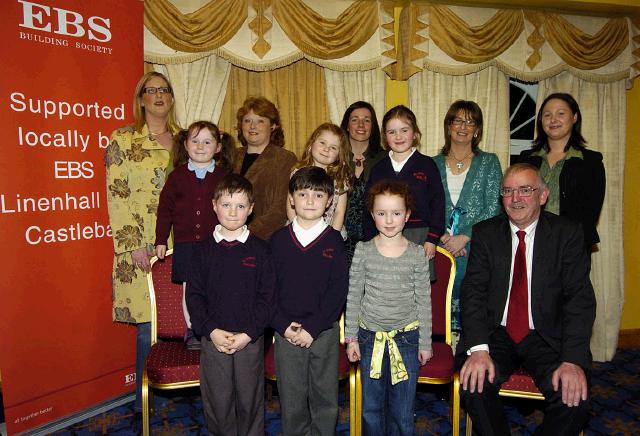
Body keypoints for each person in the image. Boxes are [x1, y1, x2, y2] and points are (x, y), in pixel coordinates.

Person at [457, 163, 596, 436]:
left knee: (574, 401)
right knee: (473, 384)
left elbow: (579, 300)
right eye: (508, 191)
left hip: (547, 335)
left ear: (542, 196)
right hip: (496, 332)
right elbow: (473, 292)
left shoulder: (567, 233)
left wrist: (572, 360)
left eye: (524, 190)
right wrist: (479, 349)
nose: (515, 198)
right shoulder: (486, 233)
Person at [104, 71, 180, 412]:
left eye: (164, 90)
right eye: (151, 91)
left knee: (182, 317)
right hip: (142, 245)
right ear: (141, 99)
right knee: (148, 323)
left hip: (183, 243)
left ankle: (176, 387)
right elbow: (117, 195)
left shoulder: (184, 139)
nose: (159, 95)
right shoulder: (123, 139)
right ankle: (142, 404)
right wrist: (133, 243)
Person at [186, 174, 274, 436]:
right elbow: (195, 297)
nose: (233, 212)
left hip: (250, 338)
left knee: (250, 401)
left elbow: (267, 299)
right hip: (214, 338)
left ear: (251, 209)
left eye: (240, 206)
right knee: (218, 401)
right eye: (226, 205)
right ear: (214, 205)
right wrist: (210, 331)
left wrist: (248, 334)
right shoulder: (201, 251)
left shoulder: (261, 250)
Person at [345, 180, 433, 436]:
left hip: (407, 339)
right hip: (369, 338)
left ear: (406, 215)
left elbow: (423, 301)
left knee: (402, 410)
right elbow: (353, 296)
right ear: (373, 215)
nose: (389, 220)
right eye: (382, 213)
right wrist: (351, 338)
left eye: (396, 213)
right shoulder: (363, 250)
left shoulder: (417, 254)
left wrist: (425, 343)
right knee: (371, 408)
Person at [270, 166, 349, 436]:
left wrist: (313, 328)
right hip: (286, 331)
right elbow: (268, 290)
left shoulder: (334, 241)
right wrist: (283, 325)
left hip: (323, 331)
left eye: (318, 195)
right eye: (303, 194)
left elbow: (338, 291)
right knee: (292, 397)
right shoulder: (278, 240)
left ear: (329, 201)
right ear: (291, 198)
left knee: (324, 396)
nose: (310, 201)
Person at [154, 121, 234, 349]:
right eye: (195, 141)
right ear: (186, 145)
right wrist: (161, 239)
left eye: (207, 142)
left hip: (216, 245)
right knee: (191, 291)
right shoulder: (177, 177)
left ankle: (218, 327)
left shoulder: (223, 177)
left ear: (218, 147)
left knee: (218, 287)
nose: (200, 146)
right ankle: (194, 331)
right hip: (186, 246)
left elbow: (233, 208)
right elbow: (164, 209)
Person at [432, 100, 502, 335]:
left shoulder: (489, 162)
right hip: (439, 248)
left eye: (470, 121)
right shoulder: (432, 164)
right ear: (449, 126)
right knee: (438, 312)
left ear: (478, 129)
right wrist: (444, 239)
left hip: (477, 249)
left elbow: (494, 207)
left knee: (473, 315)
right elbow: (424, 206)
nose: (463, 126)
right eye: (458, 120)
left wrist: (465, 237)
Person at [519, 92, 605, 253]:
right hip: (528, 244)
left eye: (560, 113)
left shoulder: (590, 161)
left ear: (574, 117)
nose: (553, 120)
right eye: (547, 115)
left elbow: (591, 213)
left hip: (572, 247)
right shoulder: (526, 159)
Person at [363, 105, 445, 263]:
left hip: (420, 237)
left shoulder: (427, 165)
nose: (398, 136)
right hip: (383, 236)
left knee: (417, 285)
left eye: (404, 130)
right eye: (391, 132)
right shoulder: (378, 169)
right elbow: (367, 208)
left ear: (415, 133)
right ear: (385, 137)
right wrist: (370, 241)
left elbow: (438, 204)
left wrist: (432, 239)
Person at [233, 96, 297, 241]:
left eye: (260, 121)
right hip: (227, 238)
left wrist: (246, 235)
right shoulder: (231, 157)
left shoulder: (285, 159)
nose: (252, 126)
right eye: (247, 120)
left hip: (265, 242)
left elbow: (281, 208)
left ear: (273, 126)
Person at [340, 101, 386, 260]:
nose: (361, 124)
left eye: (367, 120)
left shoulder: (385, 160)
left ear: (373, 126)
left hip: (375, 239)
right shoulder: (334, 158)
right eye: (354, 119)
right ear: (347, 125)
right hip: (339, 238)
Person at [287, 123, 351, 236]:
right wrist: (296, 231)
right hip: (299, 230)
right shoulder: (298, 173)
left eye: (333, 147)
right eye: (322, 143)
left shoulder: (339, 178)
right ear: (311, 144)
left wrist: (333, 236)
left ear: (339, 155)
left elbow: (339, 212)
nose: (326, 149)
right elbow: (290, 204)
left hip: (327, 232)